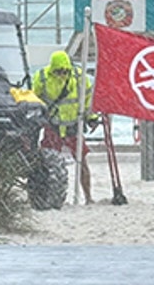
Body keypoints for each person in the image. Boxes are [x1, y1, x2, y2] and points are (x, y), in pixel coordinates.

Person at [32, 50, 98, 203]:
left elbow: (88, 99)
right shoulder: (42, 78)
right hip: (53, 126)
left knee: (82, 161)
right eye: (58, 71)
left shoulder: (80, 78)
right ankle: (45, 196)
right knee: (46, 163)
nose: (62, 74)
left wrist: (91, 118)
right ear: (52, 69)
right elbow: (34, 100)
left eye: (65, 71)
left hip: (73, 126)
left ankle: (88, 197)